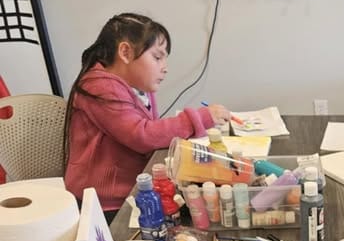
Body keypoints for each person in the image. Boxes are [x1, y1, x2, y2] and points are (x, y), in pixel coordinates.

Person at [63, 13, 229, 221]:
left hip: (132, 190)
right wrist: (200, 118)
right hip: (104, 204)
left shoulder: (138, 87)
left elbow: (150, 131)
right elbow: (142, 135)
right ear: (125, 52)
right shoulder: (99, 86)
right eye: (157, 57)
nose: (165, 67)